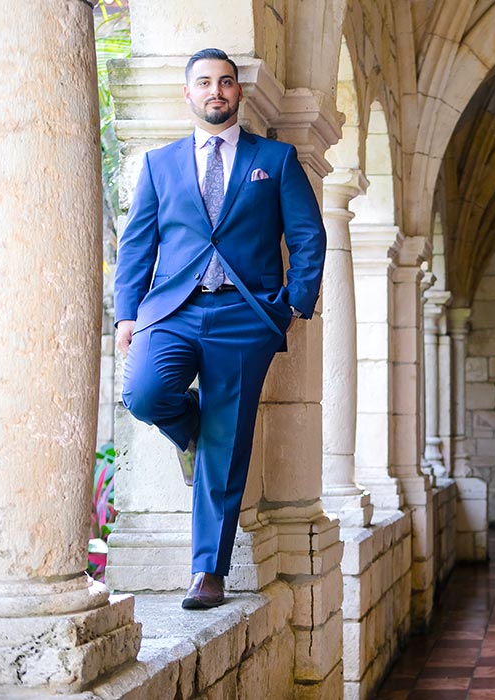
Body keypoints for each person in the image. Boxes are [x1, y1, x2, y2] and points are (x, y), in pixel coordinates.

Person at [114, 48, 327, 609]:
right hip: (174, 310)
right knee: (143, 393)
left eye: (226, 82)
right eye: (205, 83)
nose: (216, 91)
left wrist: (292, 304)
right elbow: (138, 244)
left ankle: (208, 571)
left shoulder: (275, 159)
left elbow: (308, 235)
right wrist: (128, 315)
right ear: (188, 94)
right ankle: (190, 435)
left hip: (245, 315)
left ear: (239, 93)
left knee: (228, 445)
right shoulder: (160, 165)